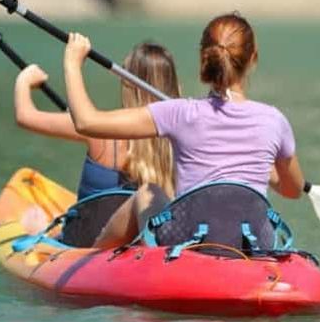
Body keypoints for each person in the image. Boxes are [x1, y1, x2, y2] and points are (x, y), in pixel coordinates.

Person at [62, 13, 306, 250]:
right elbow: (293, 190)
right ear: (253, 58)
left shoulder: (179, 113)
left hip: (190, 239)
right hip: (253, 242)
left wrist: (73, 63)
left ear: (204, 58)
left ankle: (93, 258)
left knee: (148, 192)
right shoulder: (275, 121)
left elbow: (86, 122)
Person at [13, 43, 181, 233]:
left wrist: (24, 81)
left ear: (127, 83)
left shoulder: (101, 130)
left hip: (88, 243)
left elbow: (26, 116)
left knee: (34, 221)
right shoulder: (184, 132)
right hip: (140, 241)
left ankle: (42, 231)